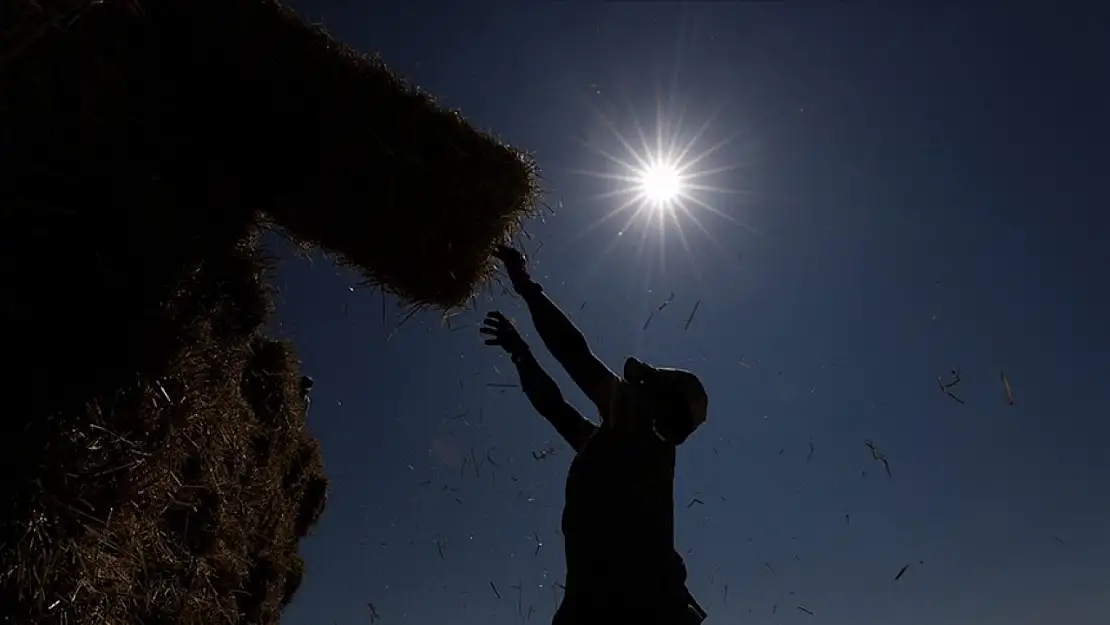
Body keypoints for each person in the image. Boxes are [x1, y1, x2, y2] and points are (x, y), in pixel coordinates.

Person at [479, 245, 709, 625]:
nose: (626, 388)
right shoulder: (618, 447)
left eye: (642, 386)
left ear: (659, 407)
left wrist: (525, 286)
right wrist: (521, 354)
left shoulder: (643, 434)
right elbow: (555, 407)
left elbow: (574, 355)